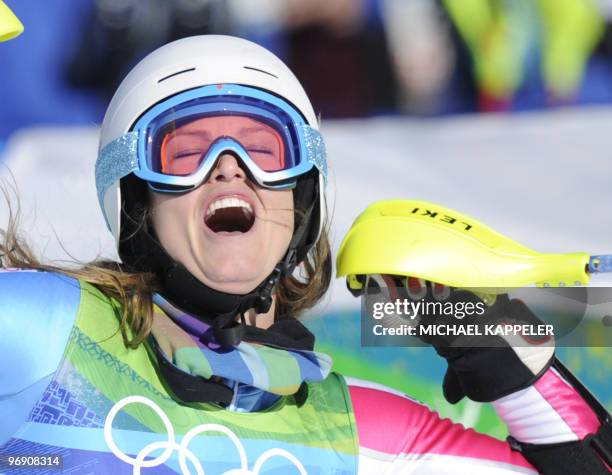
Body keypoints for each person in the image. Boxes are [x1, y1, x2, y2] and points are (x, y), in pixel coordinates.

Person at [0, 35, 607, 474]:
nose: (230, 169)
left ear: (303, 198)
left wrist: (514, 364)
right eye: (186, 151)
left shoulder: (362, 429)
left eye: (267, 149)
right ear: (136, 201)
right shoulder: (42, 332)